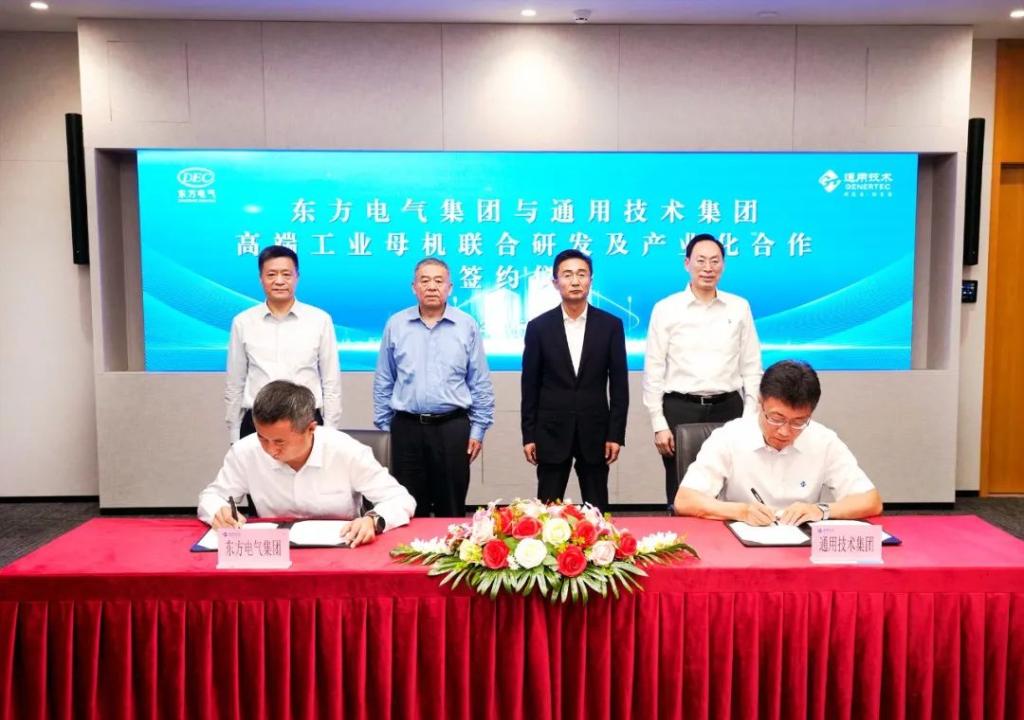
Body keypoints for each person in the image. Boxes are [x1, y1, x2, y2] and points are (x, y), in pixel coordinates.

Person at [199, 381, 415, 547]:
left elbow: (400, 499)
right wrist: (219, 510)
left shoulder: (346, 451)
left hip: (341, 550)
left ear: (311, 429)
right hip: (275, 553)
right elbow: (211, 497)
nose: (270, 450)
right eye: (262, 438)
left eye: (279, 442)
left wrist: (373, 519)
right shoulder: (245, 452)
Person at [673, 360, 883, 525]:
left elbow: (871, 501)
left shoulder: (824, 440)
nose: (784, 431)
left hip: (802, 545)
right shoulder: (729, 437)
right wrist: (741, 511)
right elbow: (685, 500)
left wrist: (820, 510)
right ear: (760, 403)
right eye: (776, 418)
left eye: (798, 422)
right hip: (741, 541)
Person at [642, 233, 763, 507]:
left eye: (715, 261)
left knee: (732, 486)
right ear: (687, 263)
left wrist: (749, 417)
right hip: (680, 408)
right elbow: (654, 370)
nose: (708, 268)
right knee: (681, 489)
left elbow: (752, 367)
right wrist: (658, 423)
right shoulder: (666, 308)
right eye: (700, 260)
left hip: (728, 407)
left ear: (723, 265)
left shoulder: (739, 307)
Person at [373, 258, 495, 517]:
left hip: (452, 428)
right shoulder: (396, 324)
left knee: (450, 509)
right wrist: (387, 428)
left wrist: (478, 430)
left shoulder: (466, 325)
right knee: (406, 509)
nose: (431, 287)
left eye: (438, 281)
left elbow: (480, 382)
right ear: (414, 287)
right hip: (406, 428)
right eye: (425, 280)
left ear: (449, 288)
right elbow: (384, 380)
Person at [521, 249, 628, 512]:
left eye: (582, 274)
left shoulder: (611, 326)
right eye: (567, 275)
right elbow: (529, 386)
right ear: (555, 282)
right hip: (551, 432)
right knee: (546, 510)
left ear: (591, 280)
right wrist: (529, 435)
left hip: (596, 433)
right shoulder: (538, 328)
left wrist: (615, 434)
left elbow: (619, 386)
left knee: (597, 511)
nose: (575, 281)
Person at [224, 245, 342, 443]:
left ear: (297, 277)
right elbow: (235, 384)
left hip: (305, 420)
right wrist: (235, 434)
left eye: (286, 274)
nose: (279, 281)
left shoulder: (320, 320)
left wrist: (329, 432)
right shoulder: (243, 322)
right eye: (271, 274)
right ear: (261, 278)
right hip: (257, 422)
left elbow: (331, 383)